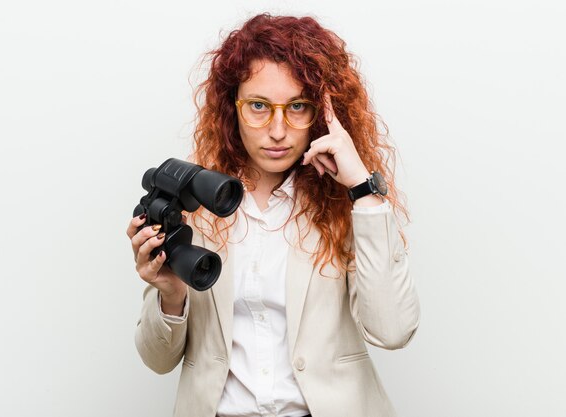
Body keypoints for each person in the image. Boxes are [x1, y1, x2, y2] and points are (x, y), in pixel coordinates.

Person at [126, 13, 420, 417]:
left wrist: (361, 189)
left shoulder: (343, 205)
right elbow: (158, 360)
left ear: (321, 113)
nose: (278, 130)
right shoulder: (198, 201)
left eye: (297, 106)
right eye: (259, 106)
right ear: (233, 108)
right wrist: (170, 294)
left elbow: (393, 330)